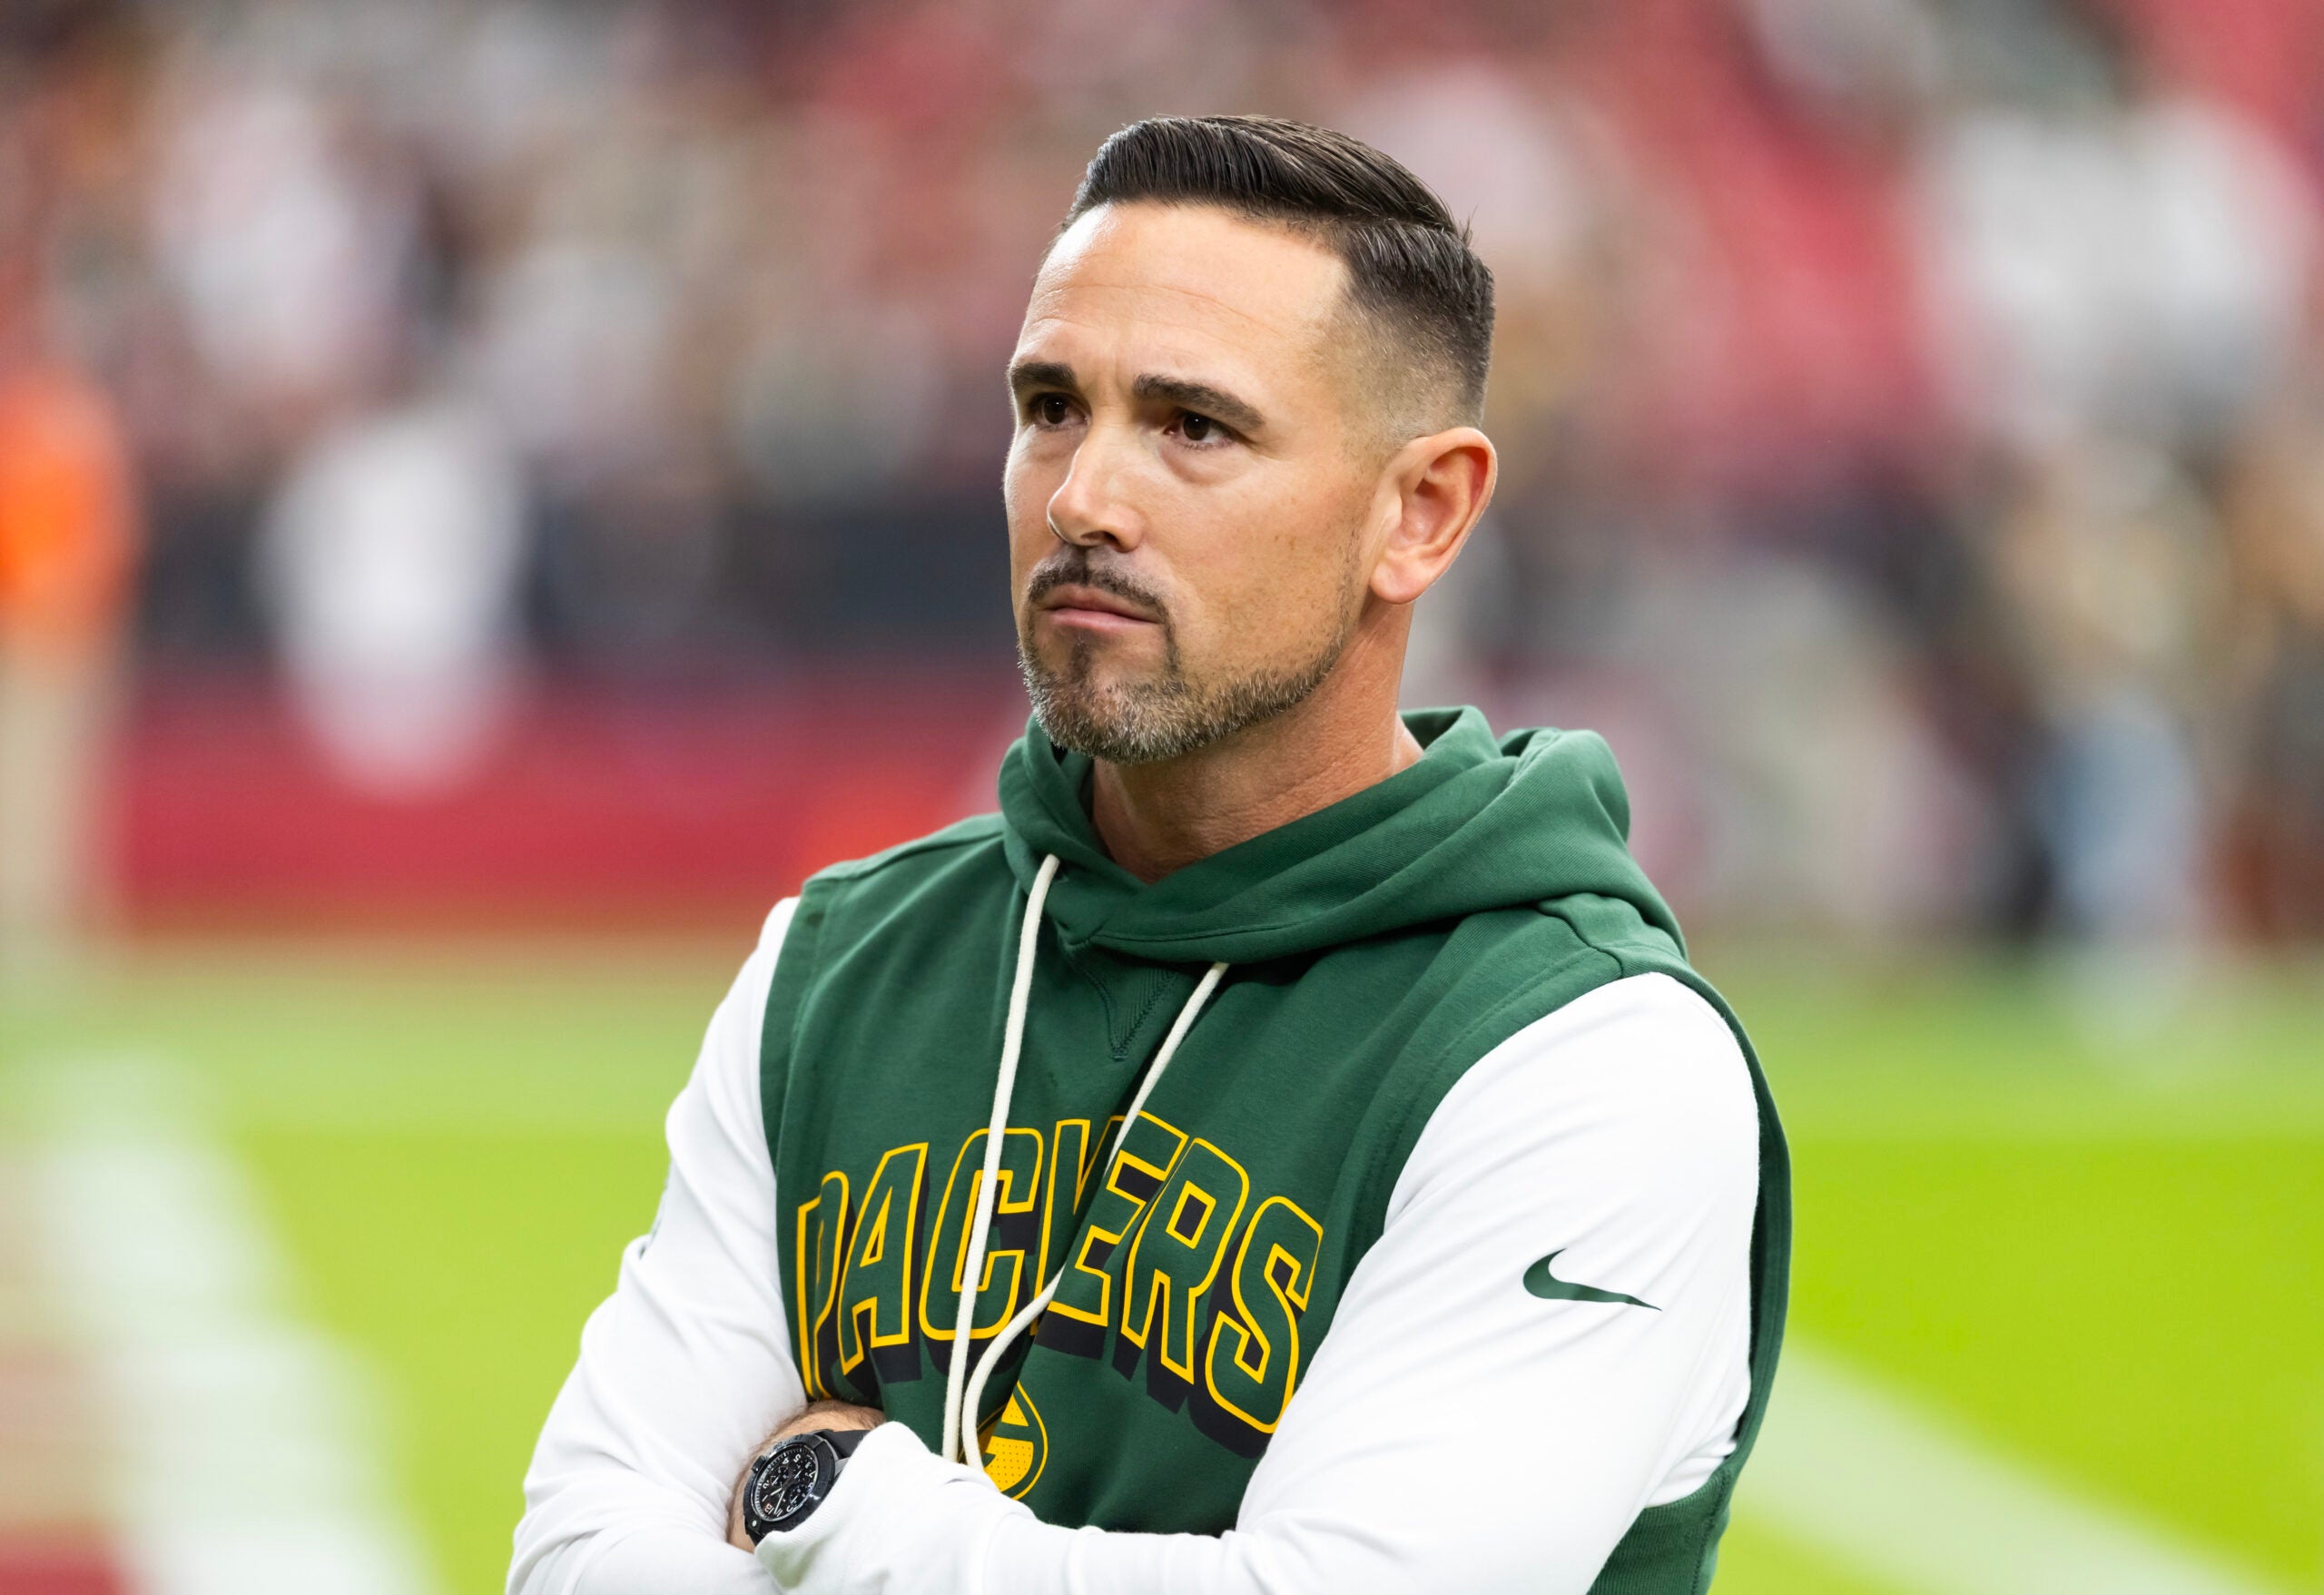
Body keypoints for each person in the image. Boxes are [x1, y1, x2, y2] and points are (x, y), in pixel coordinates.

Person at [510, 115, 1788, 1595]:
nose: (1081, 498)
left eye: (1194, 426)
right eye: (1051, 406)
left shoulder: (1584, 1057)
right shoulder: (841, 965)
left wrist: (837, 1499)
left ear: (1419, 512)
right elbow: (576, 1556)